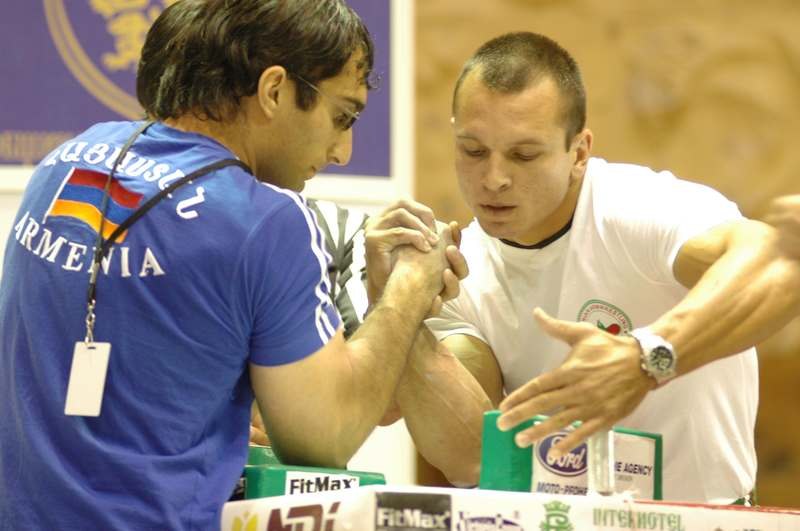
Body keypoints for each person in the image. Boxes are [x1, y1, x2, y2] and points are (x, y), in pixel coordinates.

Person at [0, 2, 464, 529]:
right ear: (274, 91)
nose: (343, 151)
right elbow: (326, 437)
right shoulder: (265, 221)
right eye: (341, 117)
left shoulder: (68, 162)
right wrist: (406, 287)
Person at [380, 31, 800, 504]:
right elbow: (471, 456)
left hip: (705, 516)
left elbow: (778, 264)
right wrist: (396, 304)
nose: (493, 179)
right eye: (473, 151)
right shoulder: (463, 266)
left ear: (579, 153)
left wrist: (646, 359)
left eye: (524, 155)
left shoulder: (636, 207)